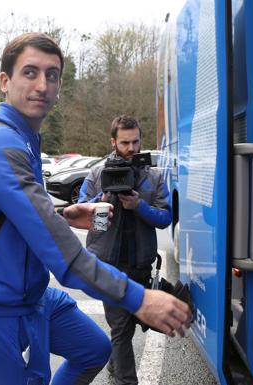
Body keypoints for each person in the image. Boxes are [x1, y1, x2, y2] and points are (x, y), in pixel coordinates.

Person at [0, 32, 190, 385]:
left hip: (32, 296)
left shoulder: (25, 138)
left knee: (94, 349)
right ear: (5, 81)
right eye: (30, 72)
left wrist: (64, 213)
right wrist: (138, 299)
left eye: (52, 75)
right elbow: (62, 257)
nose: (42, 84)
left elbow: (20, 214)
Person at [78, 115, 172, 385]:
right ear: (113, 142)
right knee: (120, 328)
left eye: (136, 141)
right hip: (108, 265)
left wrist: (138, 206)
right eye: (125, 142)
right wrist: (102, 201)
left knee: (126, 328)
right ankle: (126, 380)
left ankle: (114, 364)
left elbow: (165, 218)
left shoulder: (152, 176)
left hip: (139, 265)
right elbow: (89, 223)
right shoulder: (98, 174)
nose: (132, 148)